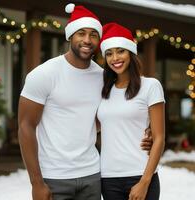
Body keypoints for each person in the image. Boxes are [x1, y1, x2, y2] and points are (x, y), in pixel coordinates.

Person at [18, 4, 152, 200]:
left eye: (93, 35)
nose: (87, 40)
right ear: (70, 35)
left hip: (92, 175)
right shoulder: (44, 74)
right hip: (54, 177)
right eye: (81, 33)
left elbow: (116, 113)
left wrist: (147, 131)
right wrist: (36, 183)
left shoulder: (103, 77)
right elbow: (25, 127)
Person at [97, 23, 165, 200]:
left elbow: (159, 138)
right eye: (109, 53)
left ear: (131, 53)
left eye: (120, 51)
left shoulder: (150, 86)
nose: (115, 58)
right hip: (108, 178)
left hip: (140, 174)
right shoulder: (103, 90)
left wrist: (145, 181)